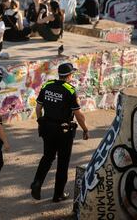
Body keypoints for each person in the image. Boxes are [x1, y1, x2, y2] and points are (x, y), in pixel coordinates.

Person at [30, 63, 89, 202]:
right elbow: (79, 115)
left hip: (47, 128)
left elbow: (38, 108)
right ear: (69, 75)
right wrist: (85, 129)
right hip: (64, 131)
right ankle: (58, 194)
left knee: (47, 157)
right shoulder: (70, 90)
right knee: (63, 162)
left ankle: (37, 183)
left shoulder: (47, 85)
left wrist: (41, 123)